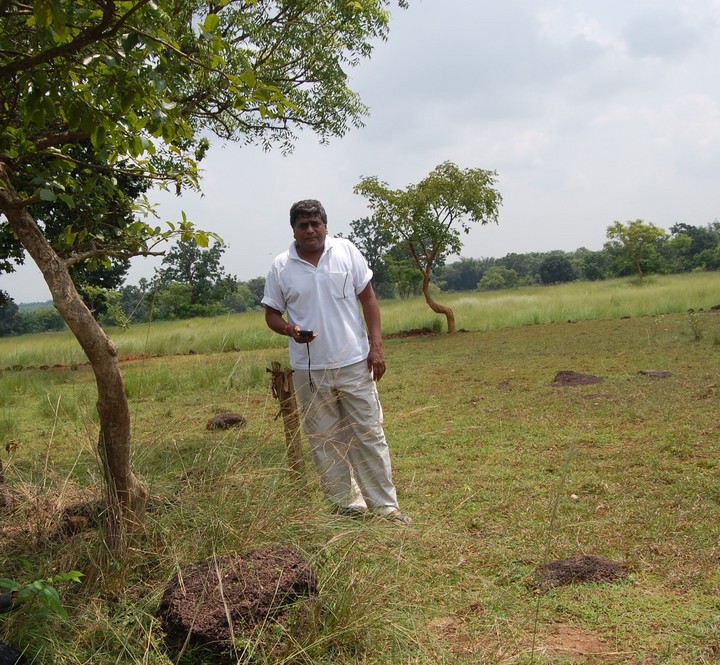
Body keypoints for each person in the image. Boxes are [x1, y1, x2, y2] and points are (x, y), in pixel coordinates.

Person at [262, 199, 411, 525]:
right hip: (310, 369)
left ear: (326, 225)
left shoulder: (346, 252)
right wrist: (290, 329)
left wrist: (377, 347)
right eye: (303, 225)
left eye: (316, 223)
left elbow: (368, 299)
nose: (311, 230)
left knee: (368, 434)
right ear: (294, 230)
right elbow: (271, 314)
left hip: (355, 362)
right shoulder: (281, 266)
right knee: (324, 440)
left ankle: (386, 508)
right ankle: (346, 506)